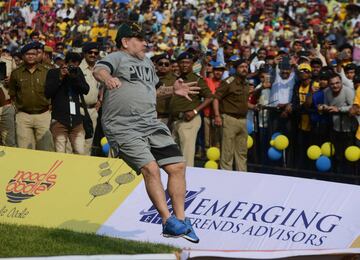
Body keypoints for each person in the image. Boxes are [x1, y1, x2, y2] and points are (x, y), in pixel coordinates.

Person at [93, 22, 200, 243]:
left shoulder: (148, 63)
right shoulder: (117, 57)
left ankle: (181, 220)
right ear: (125, 42)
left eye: (145, 38)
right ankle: (166, 220)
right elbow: (98, 69)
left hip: (150, 123)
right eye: (140, 38)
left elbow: (155, 90)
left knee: (178, 166)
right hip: (122, 125)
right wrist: (107, 78)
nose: (145, 42)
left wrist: (174, 90)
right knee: (150, 168)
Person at [170, 51, 213, 167]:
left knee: (186, 157)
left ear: (192, 65)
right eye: (182, 62)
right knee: (174, 157)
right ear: (178, 64)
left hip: (189, 120)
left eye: (187, 63)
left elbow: (210, 97)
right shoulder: (176, 79)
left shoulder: (197, 80)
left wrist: (195, 111)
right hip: (175, 120)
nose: (184, 65)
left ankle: (186, 182)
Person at [8, 42, 53, 151]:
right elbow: (12, 94)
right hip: (23, 116)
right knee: (24, 151)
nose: (31, 56)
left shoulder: (47, 71)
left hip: (44, 115)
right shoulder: (16, 73)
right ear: (22, 56)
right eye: (27, 54)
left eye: (33, 54)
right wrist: (17, 110)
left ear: (37, 55)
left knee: (46, 150)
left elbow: (53, 92)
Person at [45, 52, 90, 154]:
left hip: (76, 121)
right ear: (66, 62)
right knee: (60, 153)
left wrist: (74, 77)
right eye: (72, 63)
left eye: (77, 63)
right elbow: (48, 93)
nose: (74, 66)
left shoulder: (77, 72)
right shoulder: (53, 72)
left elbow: (85, 89)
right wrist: (60, 77)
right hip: (59, 119)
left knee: (80, 152)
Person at [213, 59, 250, 172]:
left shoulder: (246, 83)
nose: (244, 69)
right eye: (241, 67)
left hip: (243, 120)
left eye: (246, 67)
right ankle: (226, 179)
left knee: (242, 153)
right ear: (236, 69)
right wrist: (217, 116)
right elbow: (215, 98)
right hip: (229, 119)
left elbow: (242, 102)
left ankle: (242, 177)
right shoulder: (229, 82)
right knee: (227, 152)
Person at [80, 42, 102, 155]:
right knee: (75, 143)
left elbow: (103, 86)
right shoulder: (78, 68)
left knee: (88, 143)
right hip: (79, 109)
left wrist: (100, 100)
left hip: (93, 110)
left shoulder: (100, 68)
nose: (93, 55)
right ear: (84, 53)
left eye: (96, 53)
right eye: (90, 52)